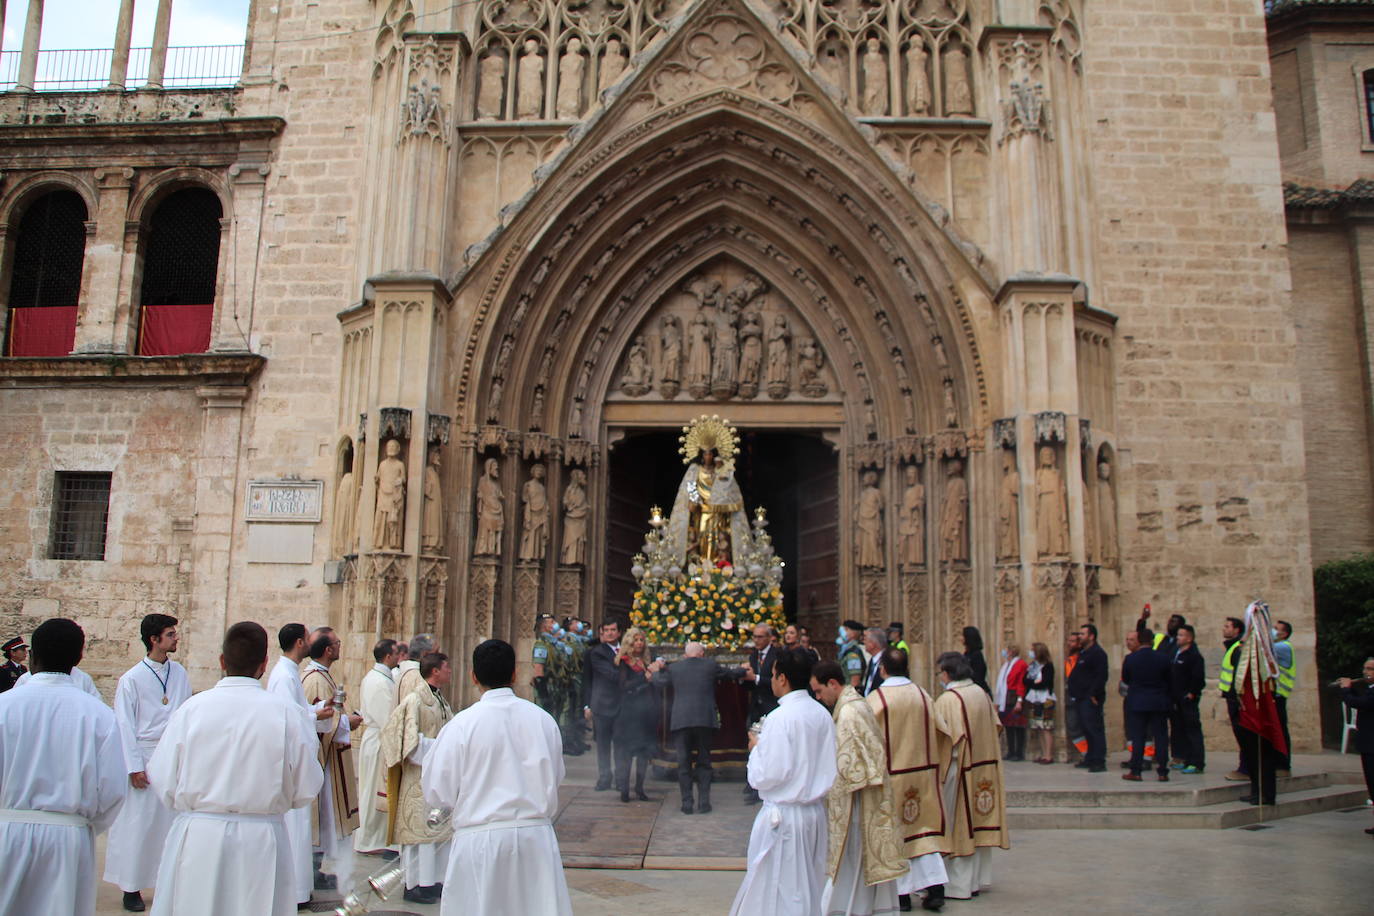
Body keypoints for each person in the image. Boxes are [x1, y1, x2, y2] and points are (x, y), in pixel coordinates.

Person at [146, 621, 323, 916]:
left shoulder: (191, 710)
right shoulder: (286, 714)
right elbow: (306, 785)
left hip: (199, 836)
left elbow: (163, 778)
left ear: (222, 661)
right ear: (264, 664)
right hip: (261, 840)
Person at [422, 639, 573, 915]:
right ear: (515, 674)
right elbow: (556, 774)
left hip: (480, 842)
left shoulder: (462, 725)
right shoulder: (542, 721)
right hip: (533, 839)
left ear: (473, 676)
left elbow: (437, 791)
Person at [0, 618, 125, 916]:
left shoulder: (4, 706)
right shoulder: (98, 715)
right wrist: (85, 826)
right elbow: (113, 791)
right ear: (79, 658)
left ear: (32, 656)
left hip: (5, 833)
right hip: (68, 841)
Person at [729, 648, 837, 916]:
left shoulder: (780, 718)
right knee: (806, 887)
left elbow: (768, 775)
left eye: (774, 674)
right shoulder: (821, 712)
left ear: (783, 679)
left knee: (780, 893)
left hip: (786, 816)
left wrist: (756, 749)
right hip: (812, 814)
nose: (773, 679)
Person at [104, 613, 192, 912]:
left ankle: (168, 881)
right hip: (143, 753)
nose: (175, 638)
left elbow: (183, 713)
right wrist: (133, 766)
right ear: (154, 639)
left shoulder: (178, 673)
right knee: (138, 824)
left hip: (171, 753)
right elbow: (124, 724)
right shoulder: (131, 679)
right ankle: (131, 885)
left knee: (170, 822)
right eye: (170, 634)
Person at [810, 661, 905, 916]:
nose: (819, 698)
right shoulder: (854, 706)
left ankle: (851, 909)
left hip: (856, 803)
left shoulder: (851, 713)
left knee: (853, 858)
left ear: (833, 684)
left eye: (819, 691)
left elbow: (854, 767)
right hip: (858, 798)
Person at [866, 649, 949, 912]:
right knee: (923, 833)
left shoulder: (876, 700)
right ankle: (936, 888)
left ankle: (901, 895)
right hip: (922, 774)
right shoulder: (923, 696)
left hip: (891, 778)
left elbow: (866, 740)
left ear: (882, 669)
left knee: (896, 836)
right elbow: (943, 732)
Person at [932, 652, 1008, 900]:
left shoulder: (949, 699)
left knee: (957, 825)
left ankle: (958, 885)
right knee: (975, 822)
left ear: (947, 673)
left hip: (958, 770)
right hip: (981, 766)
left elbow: (941, 738)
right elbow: (996, 726)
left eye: (940, 673)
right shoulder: (981, 694)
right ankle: (974, 881)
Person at [380, 652, 454, 904]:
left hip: (435, 776)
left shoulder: (440, 700)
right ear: (435, 671)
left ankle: (433, 881)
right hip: (418, 776)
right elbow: (408, 741)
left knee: (435, 831)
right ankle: (414, 884)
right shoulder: (415, 700)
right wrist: (441, 748)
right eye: (446, 667)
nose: (450, 671)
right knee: (418, 833)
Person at [654, 641, 747, 814]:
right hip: (704, 720)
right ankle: (704, 802)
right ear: (702, 654)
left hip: (681, 720)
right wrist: (744, 669)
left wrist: (656, 670)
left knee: (684, 763)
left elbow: (660, 682)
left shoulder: (675, 668)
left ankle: (686, 803)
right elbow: (730, 674)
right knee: (704, 761)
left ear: (684, 655)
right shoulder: (710, 666)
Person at [301, 627, 363, 883]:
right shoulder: (315, 679)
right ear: (328, 650)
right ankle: (313, 869)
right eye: (337, 643)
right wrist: (349, 722)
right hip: (321, 759)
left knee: (326, 815)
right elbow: (317, 721)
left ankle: (318, 867)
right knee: (321, 814)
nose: (340, 646)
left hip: (329, 757)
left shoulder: (322, 676)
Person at [266, 623, 320, 908]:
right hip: (291, 762)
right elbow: (288, 720)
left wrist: (312, 712)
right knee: (294, 827)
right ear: (300, 643)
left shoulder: (289, 673)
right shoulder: (284, 676)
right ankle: (294, 892)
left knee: (299, 828)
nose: (312, 642)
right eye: (309, 638)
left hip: (296, 759)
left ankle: (299, 889)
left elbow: (297, 713)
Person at [354, 638, 399, 855]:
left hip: (379, 739)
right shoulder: (378, 682)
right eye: (397, 653)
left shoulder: (383, 678)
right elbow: (387, 717)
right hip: (379, 740)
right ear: (388, 656)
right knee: (373, 791)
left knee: (376, 790)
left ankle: (379, 837)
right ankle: (369, 839)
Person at [613, 626, 661, 803]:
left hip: (646, 712)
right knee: (626, 753)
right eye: (636, 640)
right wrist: (644, 678)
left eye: (642, 640)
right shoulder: (624, 662)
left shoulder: (646, 661)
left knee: (643, 753)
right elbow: (624, 686)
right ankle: (624, 788)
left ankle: (640, 787)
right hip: (629, 713)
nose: (639, 643)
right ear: (629, 642)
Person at [1121, 629, 1172, 782]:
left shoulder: (1131, 659)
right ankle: (1163, 771)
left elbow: (1126, 678)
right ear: (1151, 640)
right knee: (1161, 737)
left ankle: (1136, 770)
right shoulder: (1163, 658)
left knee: (1138, 737)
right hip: (1158, 701)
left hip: (1137, 702)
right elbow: (1169, 679)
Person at [583, 618, 622, 791]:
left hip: (623, 705)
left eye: (613, 629)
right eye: (606, 630)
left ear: (619, 632)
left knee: (622, 744)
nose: (609, 633)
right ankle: (605, 777)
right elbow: (591, 679)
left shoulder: (627, 649)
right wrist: (586, 705)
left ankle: (621, 777)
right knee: (604, 744)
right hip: (603, 704)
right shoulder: (596, 652)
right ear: (601, 633)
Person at [1338, 658, 1374, 835]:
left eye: (1371, 669)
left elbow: (1360, 703)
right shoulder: (1370, 689)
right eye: (1365, 668)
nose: (1366, 672)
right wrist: (1350, 689)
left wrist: (1345, 690)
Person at [1068, 624, 1108, 772]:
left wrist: (1093, 694)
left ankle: (1099, 760)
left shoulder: (1098, 653)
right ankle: (1090, 757)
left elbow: (1101, 676)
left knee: (1094, 729)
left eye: (1083, 634)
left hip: (1089, 698)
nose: (1080, 636)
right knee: (1086, 729)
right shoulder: (1084, 653)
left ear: (1091, 636)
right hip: (1080, 697)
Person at [1169, 624, 1206, 774]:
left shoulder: (1194, 656)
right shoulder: (1176, 653)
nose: (1178, 638)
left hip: (1187, 699)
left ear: (1189, 638)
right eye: (1178, 635)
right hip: (1175, 698)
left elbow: (1198, 677)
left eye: (1182, 635)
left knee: (1192, 730)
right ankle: (1184, 758)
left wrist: (1192, 693)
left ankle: (1196, 762)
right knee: (1179, 729)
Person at [1219, 616, 1249, 781]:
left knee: (1243, 734)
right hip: (1232, 697)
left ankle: (1245, 769)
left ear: (1237, 630)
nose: (1224, 629)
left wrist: (1238, 698)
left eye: (1227, 626)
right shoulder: (1232, 647)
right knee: (1241, 734)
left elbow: (1240, 675)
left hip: (1236, 699)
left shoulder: (1237, 649)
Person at [532, 614, 566, 737]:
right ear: (543, 625)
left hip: (555, 687)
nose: (554, 624)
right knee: (543, 723)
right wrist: (543, 693)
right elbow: (538, 668)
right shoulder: (542, 644)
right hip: (546, 688)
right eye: (551, 622)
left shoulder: (553, 644)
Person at [993, 644, 1028, 762]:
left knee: (1017, 725)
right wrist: (997, 702)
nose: (1004, 652)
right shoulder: (1006, 665)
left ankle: (1019, 752)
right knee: (1008, 725)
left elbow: (1021, 682)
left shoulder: (1021, 664)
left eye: (1006, 650)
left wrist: (1019, 700)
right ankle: (1011, 750)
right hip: (1006, 697)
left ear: (1011, 652)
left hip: (1014, 696)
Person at [1024, 643, 1056, 765]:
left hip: (1045, 698)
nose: (1031, 652)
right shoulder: (1033, 666)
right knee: (1038, 726)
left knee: (1046, 727)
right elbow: (1025, 680)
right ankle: (1043, 753)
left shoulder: (1048, 666)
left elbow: (1045, 683)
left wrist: (1032, 683)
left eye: (1033, 650)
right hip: (1034, 698)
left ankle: (1049, 755)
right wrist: (1033, 683)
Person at [1272, 619, 1295, 776]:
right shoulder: (1280, 646)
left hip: (1279, 694)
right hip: (1276, 694)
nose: (1273, 631)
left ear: (1284, 633)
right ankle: (1279, 762)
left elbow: (1262, 650)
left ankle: (1282, 764)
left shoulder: (1282, 647)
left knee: (1280, 730)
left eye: (1276, 629)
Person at [1062, 632, 1083, 763]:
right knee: (1073, 726)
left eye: (1073, 641)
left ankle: (1088, 754)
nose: (1070, 644)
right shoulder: (1069, 659)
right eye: (1069, 641)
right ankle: (1085, 753)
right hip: (1071, 696)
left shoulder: (1081, 658)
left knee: (1082, 726)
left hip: (1080, 696)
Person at [398, 634, 438, 702]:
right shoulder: (415, 678)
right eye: (436, 652)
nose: (438, 657)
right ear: (425, 654)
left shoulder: (408, 673)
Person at [838, 620, 866, 690]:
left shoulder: (853, 653)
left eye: (846, 629)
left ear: (853, 633)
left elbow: (855, 680)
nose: (842, 632)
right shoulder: (845, 650)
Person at [960, 626, 989, 693]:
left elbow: (979, 675)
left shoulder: (976, 655)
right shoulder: (967, 654)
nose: (961, 638)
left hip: (977, 690)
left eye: (963, 636)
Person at [861, 628, 887, 696]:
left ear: (872, 643)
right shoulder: (872, 661)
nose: (863, 642)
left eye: (865, 639)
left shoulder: (886, 660)